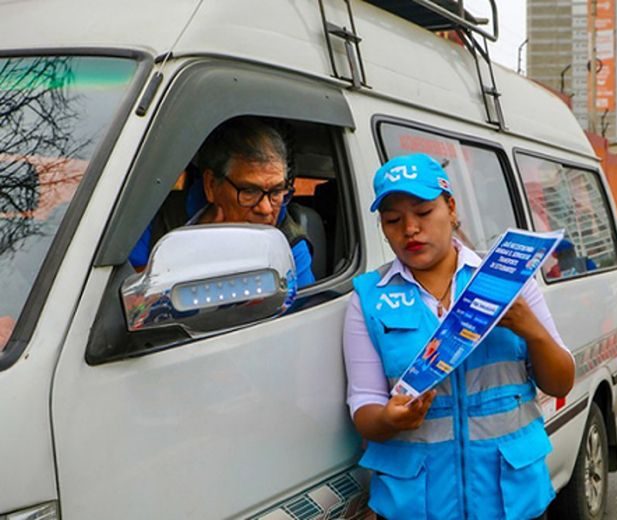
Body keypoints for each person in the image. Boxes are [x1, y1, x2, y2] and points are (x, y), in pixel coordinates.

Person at [342, 153, 575, 519]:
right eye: (392, 219)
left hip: (510, 499)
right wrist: (389, 419)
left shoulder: (506, 281)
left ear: (450, 208)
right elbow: (364, 402)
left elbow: (561, 381)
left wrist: (531, 329)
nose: (410, 229)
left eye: (423, 212)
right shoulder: (369, 298)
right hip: (415, 504)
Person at [128, 118, 315, 289]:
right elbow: (128, 294)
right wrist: (195, 253)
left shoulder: (290, 244)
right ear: (211, 185)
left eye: (276, 191)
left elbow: (298, 318)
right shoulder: (160, 215)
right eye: (249, 191)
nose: (266, 209)